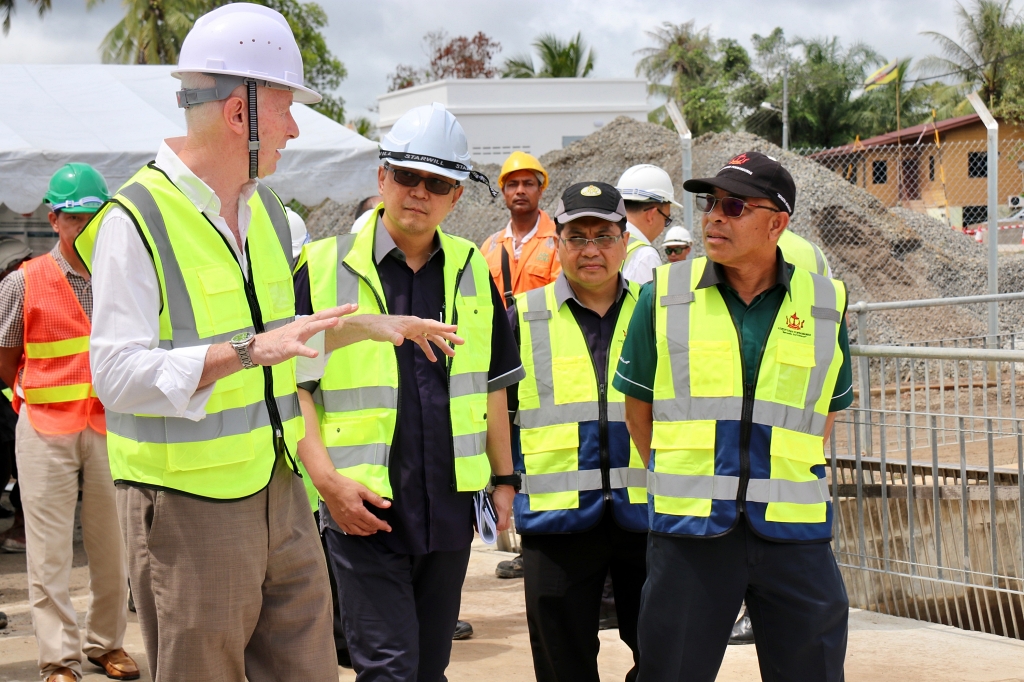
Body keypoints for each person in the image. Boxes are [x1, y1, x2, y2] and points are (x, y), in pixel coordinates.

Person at [76, 6, 458, 680]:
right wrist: (247, 352)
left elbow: (292, 340)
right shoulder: (133, 221)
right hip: (190, 509)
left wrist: (376, 326)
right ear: (239, 114)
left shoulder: (275, 219)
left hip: (281, 492)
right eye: (285, 107)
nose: (294, 127)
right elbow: (116, 376)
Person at [293, 101, 523, 682]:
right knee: (388, 668)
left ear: (457, 196)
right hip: (361, 505)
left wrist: (503, 482)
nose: (419, 192)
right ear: (382, 177)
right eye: (407, 176)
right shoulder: (321, 267)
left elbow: (494, 387)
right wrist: (325, 483)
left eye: (438, 182)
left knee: (428, 667)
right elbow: (289, 388)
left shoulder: (474, 268)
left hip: (447, 507)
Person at [614, 151, 854, 682]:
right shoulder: (664, 297)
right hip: (691, 533)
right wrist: (686, 475)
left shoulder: (824, 303)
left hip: (795, 537)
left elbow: (826, 414)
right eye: (710, 203)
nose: (714, 217)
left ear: (778, 223)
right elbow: (638, 412)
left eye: (735, 205)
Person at [0, 164, 139, 682]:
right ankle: (58, 657)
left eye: (94, 216)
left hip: (109, 426)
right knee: (49, 549)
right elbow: (5, 357)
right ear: (54, 219)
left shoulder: (124, 279)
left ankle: (106, 644)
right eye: (75, 217)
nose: (85, 227)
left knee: (112, 544)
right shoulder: (24, 281)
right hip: (43, 428)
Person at [510, 181, 648, 682]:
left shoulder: (657, 314)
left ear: (625, 240)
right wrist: (501, 486)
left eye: (604, 235)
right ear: (557, 242)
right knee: (561, 664)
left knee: (666, 655)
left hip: (649, 517)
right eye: (577, 236)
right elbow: (496, 416)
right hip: (557, 521)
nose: (592, 249)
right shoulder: (522, 318)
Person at [480, 151, 561, 308]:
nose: (520, 190)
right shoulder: (491, 246)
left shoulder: (558, 240)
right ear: (504, 193)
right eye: (513, 184)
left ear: (540, 191)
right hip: (502, 333)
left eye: (528, 184)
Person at [0, 236, 31, 556]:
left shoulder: (23, 288)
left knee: (20, 465)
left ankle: (23, 526)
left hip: (24, 402)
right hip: (14, 400)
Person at [616, 164, 682, 284]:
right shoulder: (645, 256)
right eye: (666, 219)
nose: (663, 227)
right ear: (651, 215)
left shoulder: (603, 238)